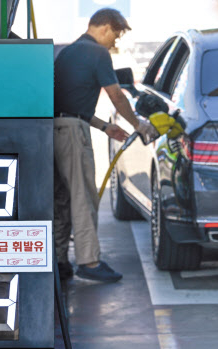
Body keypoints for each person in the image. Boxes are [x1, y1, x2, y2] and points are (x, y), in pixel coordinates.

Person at [53, 8, 157, 282]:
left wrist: (103, 126)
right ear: (105, 27)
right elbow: (117, 97)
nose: (116, 42)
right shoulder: (98, 54)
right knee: (83, 197)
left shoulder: (68, 52)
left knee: (61, 198)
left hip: (54, 130)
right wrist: (139, 125)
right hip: (74, 134)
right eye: (117, 34)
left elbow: (67, 103)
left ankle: (59, 259)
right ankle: (88, 261)